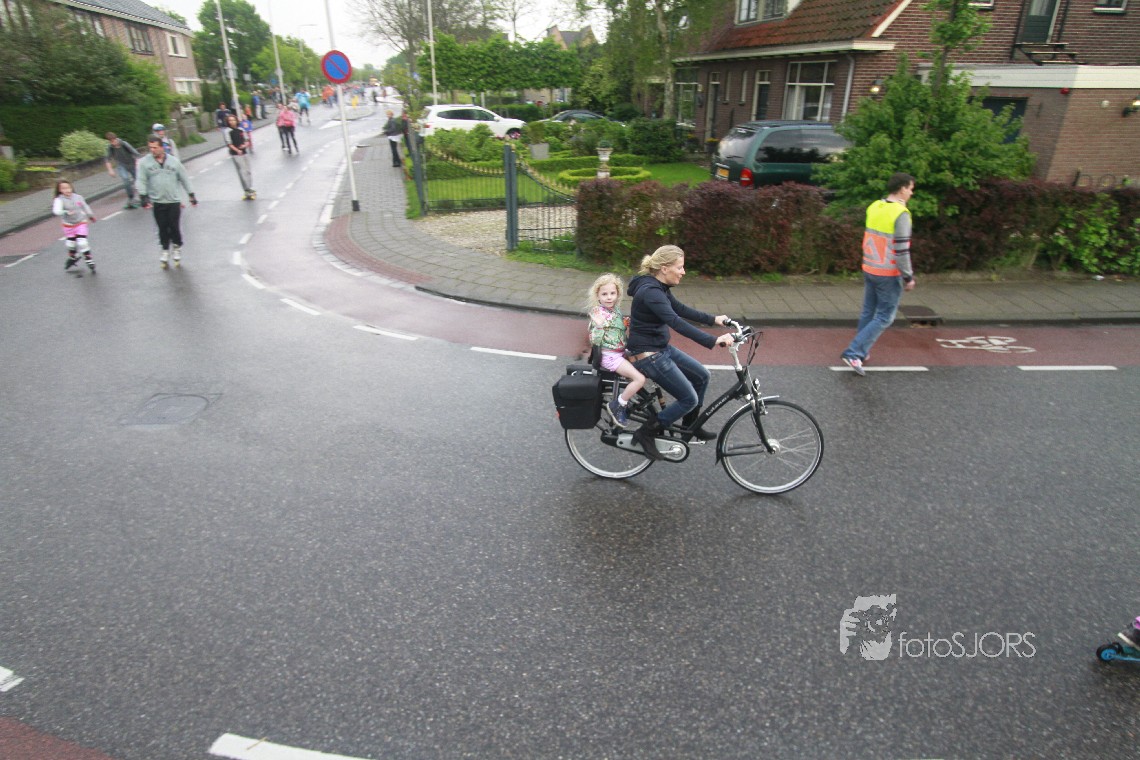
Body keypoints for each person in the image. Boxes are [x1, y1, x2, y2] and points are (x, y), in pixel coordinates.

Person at [626, 245, 735, 460]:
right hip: (648, 355)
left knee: (702, 376)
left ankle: (690, 426)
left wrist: (714, 319)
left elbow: (680, 309)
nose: (683, 272)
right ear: (665, 268)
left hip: (660, 347)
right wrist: (713, 340)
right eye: (680, 267)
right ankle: (646, 432)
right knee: (688, 398)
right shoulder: (651, 292)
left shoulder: (660, 286)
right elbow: (676, 322)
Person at [840, 172, 917, 377]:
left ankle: (861, 351)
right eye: (910, 188)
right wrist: (908, 276)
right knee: (885, 316)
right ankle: (854, 352)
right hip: (888, 272)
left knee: (868, 312)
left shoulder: (874, 206)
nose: (911, 193)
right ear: (902, 189)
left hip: (870, 267)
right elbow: (901, 250)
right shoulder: (901, 213)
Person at [586, 274, 646, 428]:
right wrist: (599, 326)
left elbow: (617, 329)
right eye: (604, 294)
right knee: (640, 379)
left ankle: (629, 394)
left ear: (618, 294)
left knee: (644, 363)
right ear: (598, 296)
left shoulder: (615, 310)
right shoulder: (598, 313)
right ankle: (618, 404)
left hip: (619, 352)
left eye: (612, 293)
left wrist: (626, 323)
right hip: (610, 356)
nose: (609, 297)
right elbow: (594, 340)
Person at [135, 135, 197, 268]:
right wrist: (143, 196)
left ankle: (177, 246)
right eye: (150, 148)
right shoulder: (145, 163)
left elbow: (184, 178)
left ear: (162, 147)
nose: (152, 150)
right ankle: (164, 249)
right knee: (162, 227)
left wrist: (191, 194)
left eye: (155, 147)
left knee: (174, 226)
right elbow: (141, 180)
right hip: (157, 201)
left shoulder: (174, 162)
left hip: (173, 200)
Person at [52, 180, 97, 273]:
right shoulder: (59, 200)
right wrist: (65, 212)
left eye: (68, 187)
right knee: (70, 244)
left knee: (82, 242)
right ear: (60, 190)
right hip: (68, 225)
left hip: (80, 222)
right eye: (64, 188)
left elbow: (85, 206)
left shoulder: (78, 197)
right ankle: (73, 256)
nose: (67, 190)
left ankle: (89, 259)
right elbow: (56, 211)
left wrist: (90, 215)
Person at [104, 132, 141, 209]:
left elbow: (136, 153)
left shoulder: (124, 144)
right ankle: (131, 198)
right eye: (111, 142)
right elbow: (107, 159)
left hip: (132, 163)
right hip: (121, 165)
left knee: (138, 180)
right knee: (125, 179)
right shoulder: (110, 147)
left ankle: (143, 195)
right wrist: (110, 170)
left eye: (114, 141)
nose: (113, 143)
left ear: (116, 139)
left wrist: (137, 163)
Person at [223, 114, 255, 200]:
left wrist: (245, 145)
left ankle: (250, 187)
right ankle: (246, 189)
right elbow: (229, 143)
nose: (232, 122)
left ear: (236, 121)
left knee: (248, 171)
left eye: (233, 120)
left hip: (244, 152)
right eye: (230, 120)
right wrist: (237, 150)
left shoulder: (241, 130)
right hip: (236, 154)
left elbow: (247, 140)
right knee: (242, 172)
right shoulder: (228, 131)